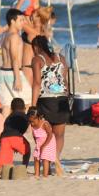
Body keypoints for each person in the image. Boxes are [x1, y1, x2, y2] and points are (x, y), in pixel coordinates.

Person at [30, 35, 69, 175]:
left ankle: (48, 161)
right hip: (62, 100)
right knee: (59, 134)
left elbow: (36, 83)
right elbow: (65, 80)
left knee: (44, 134)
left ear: (35, 47)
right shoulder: (61, 58)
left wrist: (33, 106)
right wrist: (68, 98)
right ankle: (55, 160)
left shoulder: (37, 59)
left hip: (46, 101)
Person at [0, 9, 31, 116]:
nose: (23, 23)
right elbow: (15, 58)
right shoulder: (15, 37)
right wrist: (17, 78)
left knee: (6, 105)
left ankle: (2, 130)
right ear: (12, 21)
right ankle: (24, 129)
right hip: (12, 73)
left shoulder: (5, 35)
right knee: (28, 101)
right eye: (20, 20)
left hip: (2, 73)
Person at [0, 97, 31, 169]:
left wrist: (0, 142)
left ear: (11, 109)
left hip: (4, 139)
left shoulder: (8, 118)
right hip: (17, 137)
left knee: (2, 168)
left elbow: (5, 130)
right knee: (28, 150)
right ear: (24, 108)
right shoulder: (24, 117)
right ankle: (24, 168)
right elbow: (22, 131)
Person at [28, 108, 57, 177]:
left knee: (45, 158)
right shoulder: (32, 125)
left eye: (33, 121)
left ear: (39, 118)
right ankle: (37, 174)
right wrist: (37, 143)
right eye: (30, 122)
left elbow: (50, 135)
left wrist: (44, 145)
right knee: (36, 157)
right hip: (39, 143)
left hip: (48, 142)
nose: (32, 123)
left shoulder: (45, 124)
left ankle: (45, 175)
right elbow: (34, 135)